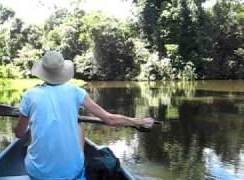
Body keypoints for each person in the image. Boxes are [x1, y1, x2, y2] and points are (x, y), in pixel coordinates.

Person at [14, 51, 155, 180]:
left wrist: (30, 122)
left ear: (43, 73)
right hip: (70, 173)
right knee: (79, 124)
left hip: (38, 174)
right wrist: (138, 122)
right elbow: (110, 119)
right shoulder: (76, 92)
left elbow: (19, 134)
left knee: (33, 128)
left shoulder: (29, 95)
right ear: (62, 71)